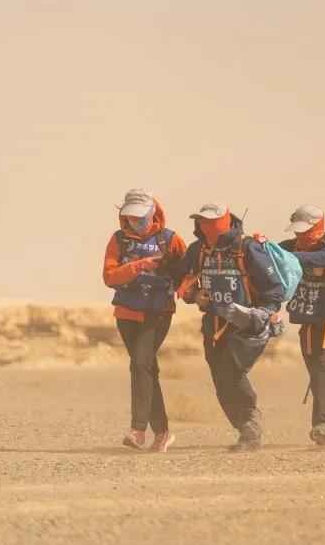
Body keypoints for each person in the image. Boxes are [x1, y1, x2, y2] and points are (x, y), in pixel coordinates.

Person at [176, 203, 286, 452]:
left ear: (224, 221)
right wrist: (194, 295)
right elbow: (182, 279)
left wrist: (266, 312)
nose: (206, 226)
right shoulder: (198, 250)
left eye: (211, 221)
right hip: (213, 323)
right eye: (202, 221)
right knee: (220, 378)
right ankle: (244, 426)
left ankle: (251, 425)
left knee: (232, 371)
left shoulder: (247, 247)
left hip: (245, 324)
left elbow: (273, 288)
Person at [102, 189, 186, 452]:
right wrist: (138, 266)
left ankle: (138, 430)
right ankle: (162, 432)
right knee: (145, 368)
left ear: (153, 212)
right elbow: (109, 277)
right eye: (131, 217)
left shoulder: (170, 239)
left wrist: (191, 291)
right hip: (126, 313)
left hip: (158, 312)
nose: (135, 221)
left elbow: (188, 273)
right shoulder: (119, 240)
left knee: (140, 362)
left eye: (140, 216)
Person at [280, 205, 325, 447]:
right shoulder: (288, 248)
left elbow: (320, 259)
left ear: (318, 229)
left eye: (306, 231)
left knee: (324, 366)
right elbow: (266, 255)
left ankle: (322, 424)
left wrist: (281, 255)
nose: (300, 236)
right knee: (319, 375)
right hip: (310, 322)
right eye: (297, 232)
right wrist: (259, 246)